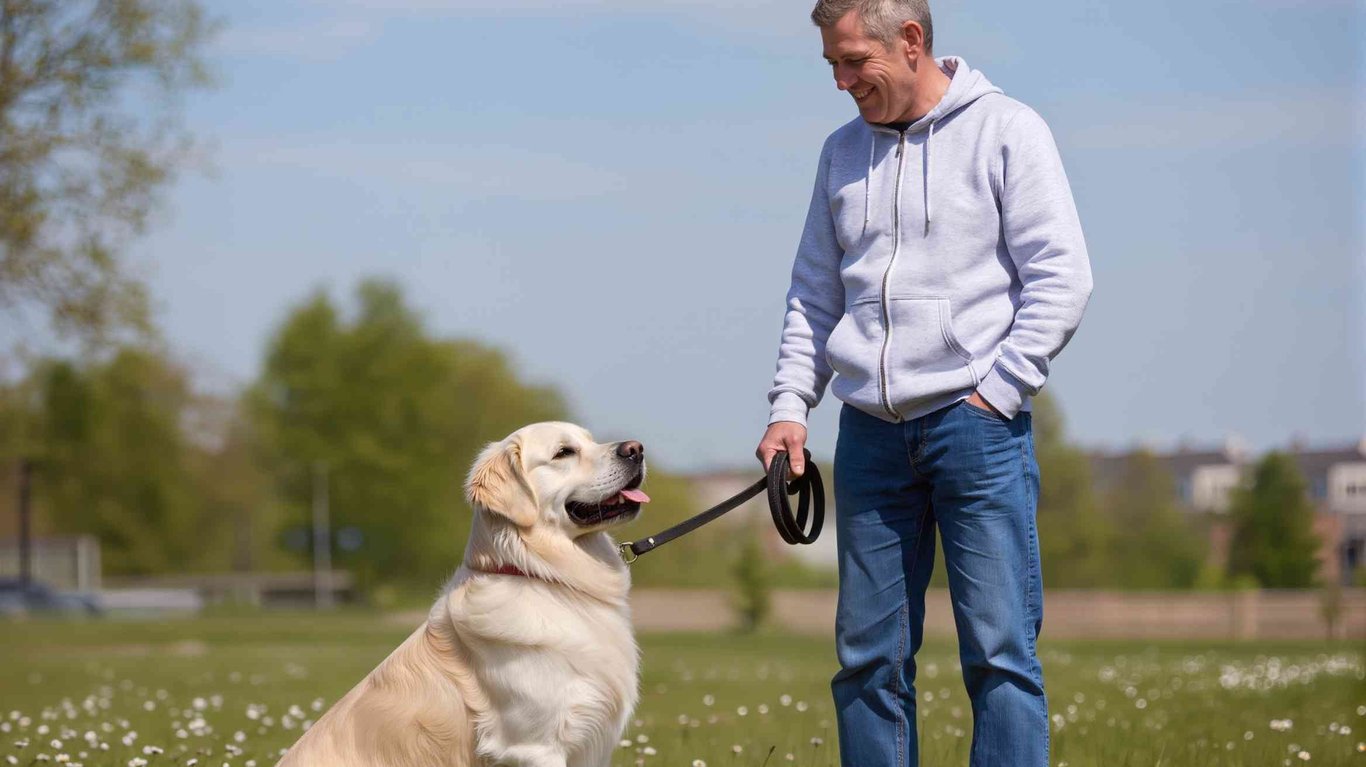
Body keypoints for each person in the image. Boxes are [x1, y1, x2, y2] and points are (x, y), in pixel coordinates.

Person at [754, 1, 1093, 765]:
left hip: (977, 429)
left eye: (852, 62)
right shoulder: (840, 155)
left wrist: (998, 391)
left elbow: (1063, 278)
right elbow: (814, 295)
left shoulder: (1008, 130)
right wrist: (789, 409)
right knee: (868, 660)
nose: (841, 82)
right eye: (831, 65)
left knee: (1000, 655)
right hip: (868, 437)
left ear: (911, 41)